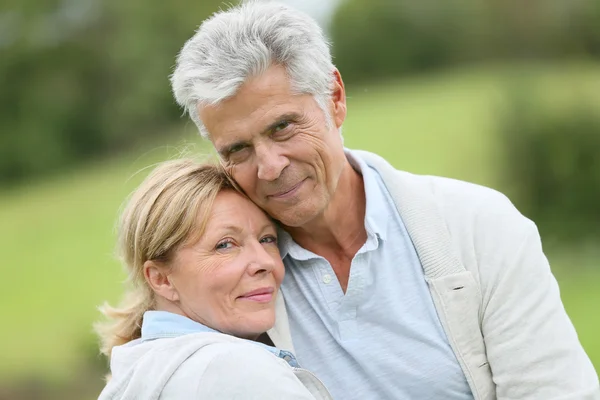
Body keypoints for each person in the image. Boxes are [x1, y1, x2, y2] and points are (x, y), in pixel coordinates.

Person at [170, 1, 600, 399]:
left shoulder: (480, 226)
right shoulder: (226, 279)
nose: (269, 166)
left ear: (335, 99)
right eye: (238, 150)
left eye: (282, 127)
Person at [95, 159, 333, 399]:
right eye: (225, 245)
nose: (266, 262)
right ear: (161, 279)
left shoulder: (140, 372)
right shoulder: (239, 372)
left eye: (267, 239)